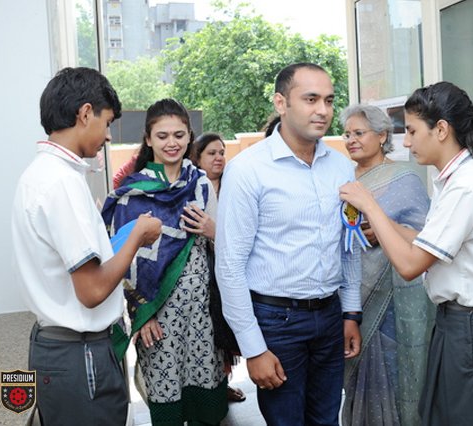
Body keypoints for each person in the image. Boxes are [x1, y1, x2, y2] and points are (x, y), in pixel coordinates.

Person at [339, 81, 473, 426]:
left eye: (412, 131)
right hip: (459, 324)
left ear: (441, 130)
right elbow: (425, 240)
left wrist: (370, 205)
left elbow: (411, 264)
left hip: (469, 328)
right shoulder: (452, 179)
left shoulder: (465, 186)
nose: (406, 142)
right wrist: (387, 227)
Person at [11, 67, 162, 425]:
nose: (108, 136)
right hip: (79, 355)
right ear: (84, 113)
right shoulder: (62, 182)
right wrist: (137, 237)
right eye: (106, 123)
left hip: (58, 348)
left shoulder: (39, 174)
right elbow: (92, 291)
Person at [214, 62, 362, 426]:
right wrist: (253, 348)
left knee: (326, 420)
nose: (323, 110)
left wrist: (350, 313)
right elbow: (229, 265)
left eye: (329, 100)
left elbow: (347, 245)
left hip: (330, 317)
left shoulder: (341, 168)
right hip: (276, 322)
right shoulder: (248, 169)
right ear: (281, 103)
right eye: (311, 99)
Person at [101, 99, 228, 425]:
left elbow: (227, 246)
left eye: (179, 135)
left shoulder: (201, 184)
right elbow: (122, 262)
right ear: (148, 139)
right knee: (167, 401)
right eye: (162, 136)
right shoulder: (132, 193)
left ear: (189, 137)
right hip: (158, 317)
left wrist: (213, 230)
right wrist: (141, 313)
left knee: (206, 402)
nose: (172, 142)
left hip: (203, 312)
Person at [339, 104, 434, 426]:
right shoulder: (342, 178)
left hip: (392, 300)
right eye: (347, 134)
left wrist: (383, 232)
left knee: (392, 373)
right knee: (357, 377)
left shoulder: (404, 178)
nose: (351, 140)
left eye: (359, 133)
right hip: (351, 293)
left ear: (382, 136)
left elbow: (424, 237)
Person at [190, 132, 246, 403]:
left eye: (222, 152)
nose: (219, 158)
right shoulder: (192, 188)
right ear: (197, 157)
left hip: (230, 270)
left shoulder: (234, 187)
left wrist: (216, 233)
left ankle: (223, 384)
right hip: (200, 272)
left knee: (226, 330)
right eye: (211, 153)